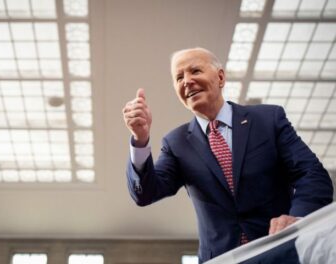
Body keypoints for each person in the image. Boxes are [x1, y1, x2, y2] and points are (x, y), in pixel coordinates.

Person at [122, 47, 334, 262]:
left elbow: (312, 174)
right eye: (178, 77)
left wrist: (297, 218)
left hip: (280, 251)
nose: (186, 81)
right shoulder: (176, 142)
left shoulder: (268, 120)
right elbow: (145, 193)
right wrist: (140, 139)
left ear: (220, 77)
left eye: (195, 71)